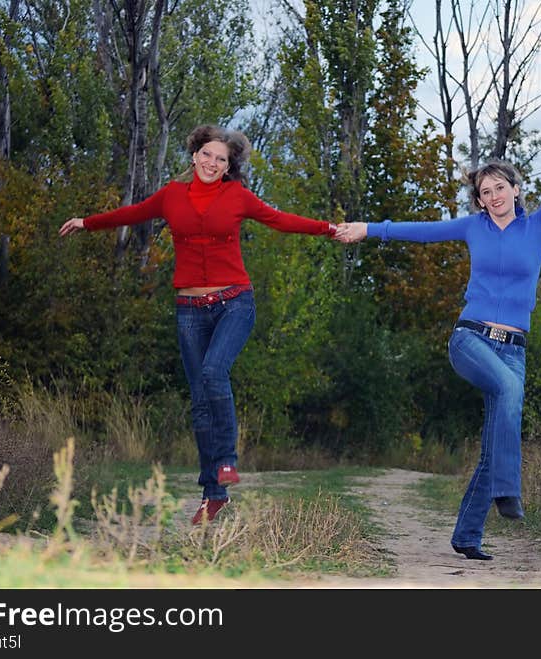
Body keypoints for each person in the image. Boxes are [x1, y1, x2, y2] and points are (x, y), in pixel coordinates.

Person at [335, 93, 541, 560]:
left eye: (499, 187)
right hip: (471, 339)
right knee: (508, 392)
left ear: (515, 190)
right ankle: (510, 490)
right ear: (479, 201)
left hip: (514, 348)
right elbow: (419, 230)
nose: (492, 196)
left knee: (498, 429)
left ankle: (467, 535)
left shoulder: (538, 227)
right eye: (484, 192)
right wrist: (369, 228)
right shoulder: (472, 228)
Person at [59, 125, 341, 524]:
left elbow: (280, 220)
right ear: (194, 156)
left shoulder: (237, 196)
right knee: (200, 401)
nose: (212, 163)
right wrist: (87, 222)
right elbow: (133, 213)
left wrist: (329, 229)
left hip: (234, 303)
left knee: (213, 373)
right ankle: (214, 495)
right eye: (207, 155)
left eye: (221, 159)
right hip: (190, 308)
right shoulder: (172, 195)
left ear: (229, 167)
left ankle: (226, 460)